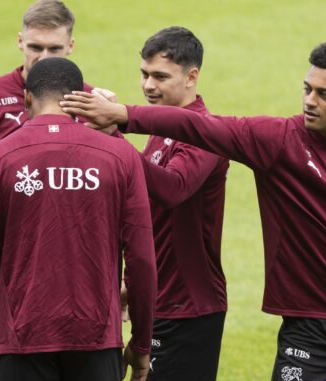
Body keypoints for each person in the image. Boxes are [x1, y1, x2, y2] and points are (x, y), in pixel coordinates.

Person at [61, 41, 326, 380]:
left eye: (324, 95)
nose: (310, 101)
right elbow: (200, 127)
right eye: (307, 89)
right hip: (308, 328)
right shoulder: (276, 141)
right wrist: (124, 115)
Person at [0, 57, 157, 381]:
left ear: (28, 98)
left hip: (19, 340)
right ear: (77, 98)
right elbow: (142, 259)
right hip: (96, 340)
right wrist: (142, 343)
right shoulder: (122, 156)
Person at [0, 2, 93, 379]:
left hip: (66, 269)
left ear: (71, 46)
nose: (43, 57)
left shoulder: (89, 100)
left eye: (55, 49)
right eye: (35, 48)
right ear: (19, 41)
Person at [115, 26, 229, 381]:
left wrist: (115, 141)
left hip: (189, 308)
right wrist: (130, 284)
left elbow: (173, 188)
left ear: (191, 76)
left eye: (161, 76)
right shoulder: (161, 132)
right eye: (144, 74)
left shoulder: (205, 132)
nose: (149, 85)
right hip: (158, 300)